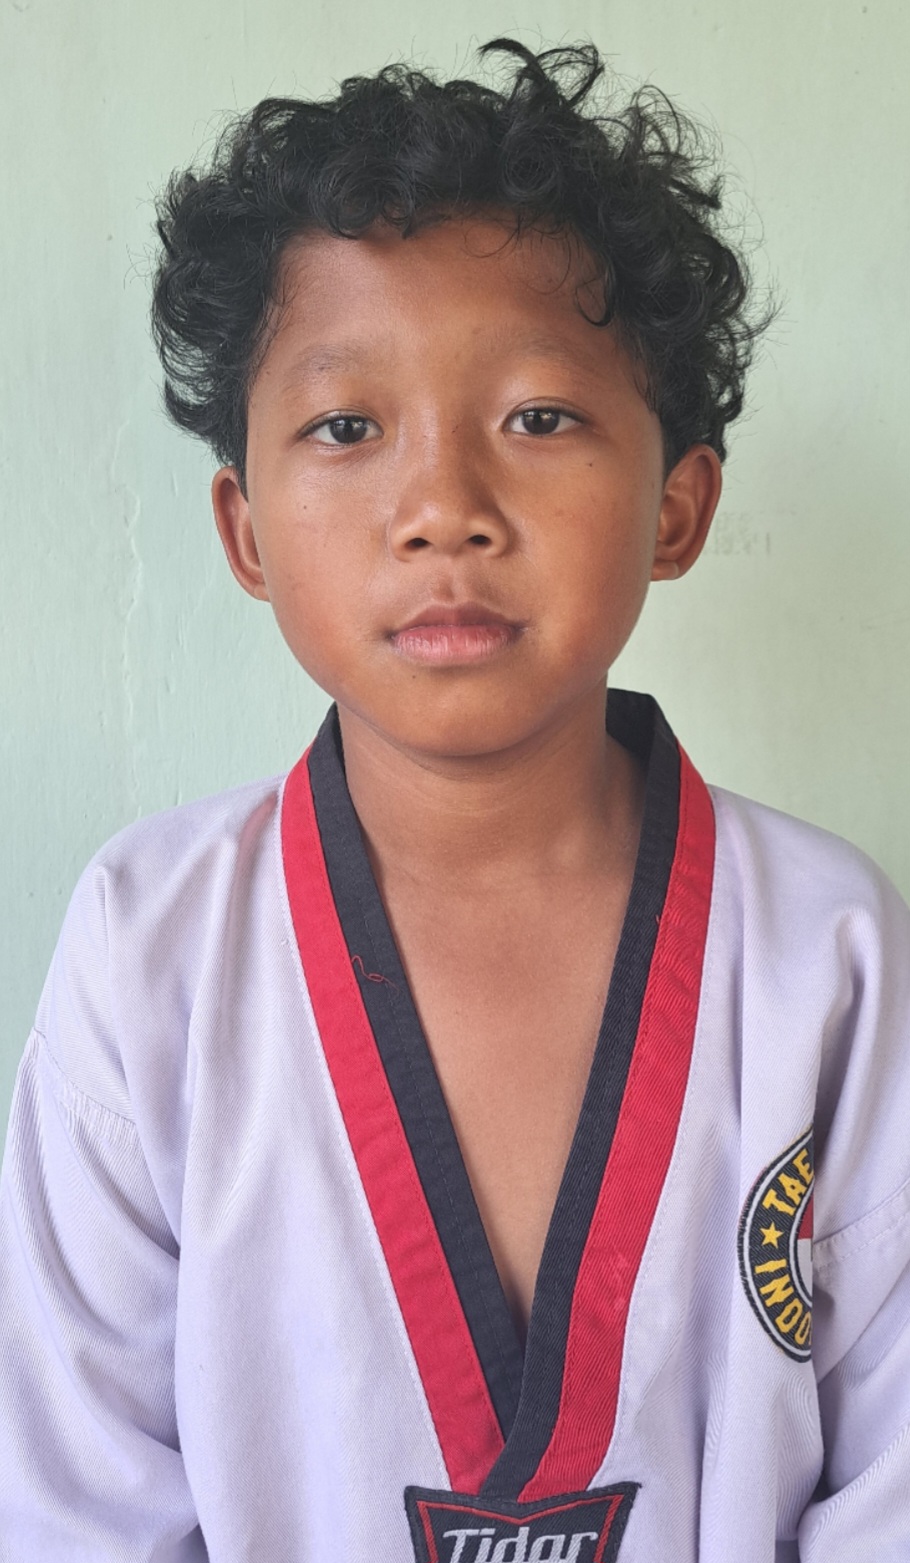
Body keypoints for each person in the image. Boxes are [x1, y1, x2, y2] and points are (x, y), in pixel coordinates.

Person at [1, 37, 908, 1563]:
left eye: (538, 418)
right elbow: (76, 1498)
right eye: (345, 428)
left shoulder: (828, 950)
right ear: (245, 531)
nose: (442, 511)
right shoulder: (149, 944)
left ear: (675, 505)